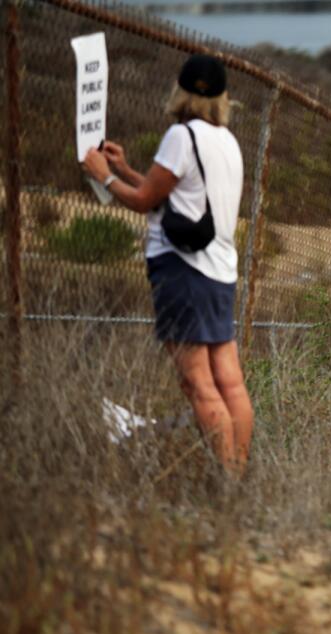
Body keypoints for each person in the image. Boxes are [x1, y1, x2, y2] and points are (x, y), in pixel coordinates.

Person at [81, 54, 252, 474]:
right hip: (219, 272)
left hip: (182, 270)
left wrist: (103, 175)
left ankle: (226, 480)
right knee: (229, 380)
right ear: (222, 98)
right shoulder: (226, 141)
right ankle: (240, 473)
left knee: (198, 383)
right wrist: (125, 169)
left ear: (180, 91)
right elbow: (172, 197)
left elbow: (144, 202)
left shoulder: (181, 135)